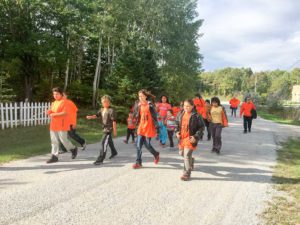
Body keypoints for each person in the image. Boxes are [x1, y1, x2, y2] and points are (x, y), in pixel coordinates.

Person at [46, 87, 78, 163]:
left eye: (57, 94)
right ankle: (54, 156)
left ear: (61, 94)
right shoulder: (54, 103)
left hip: (62, 124)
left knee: (63, 140)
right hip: (53, 124)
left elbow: (65, 113)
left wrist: (53, 114)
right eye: (54, 94)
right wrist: (49, 111)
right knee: (54, 141)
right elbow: (52, 111)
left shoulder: (65, 102)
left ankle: (73, 148)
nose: (55, 95)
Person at [175, 99, 205, 181]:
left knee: (186, 155)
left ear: (192, 106)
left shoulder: (196, 115)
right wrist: (177, 132)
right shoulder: (180, 113)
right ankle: (191, 161)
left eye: (188, 106)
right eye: (184, 106)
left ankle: (186, 173)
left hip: (190, 138)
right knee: (181, 153)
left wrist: (195, 137)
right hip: (182, 138)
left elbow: (202, 127)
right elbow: (176, 124)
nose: (186, 107)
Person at [132, 89, 160, 169]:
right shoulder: (138, 104)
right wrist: (134, 120)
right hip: (141, 127)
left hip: (148, 127)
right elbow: (135, 114)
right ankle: (138, 162)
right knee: (138, 145)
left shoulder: (150, 105)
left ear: (145, 96)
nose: (140, 97)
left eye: (142, 96)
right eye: (139, 96)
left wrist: (157, 128)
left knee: (147, 145)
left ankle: (156, 154)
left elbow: (155, 118)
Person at [86, 95, 118, 165]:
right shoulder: (102, 109)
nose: (104, 103)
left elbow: (114, 121)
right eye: (103, 102)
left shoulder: (111, 110)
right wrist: (90, 117)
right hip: (104, 128)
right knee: (109, 141)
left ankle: (100, 159)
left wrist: (115, 131)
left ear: (109, 102)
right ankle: (114, 152)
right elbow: (97, 115)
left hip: (108, 129)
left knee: (103, 143)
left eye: (106, 102)